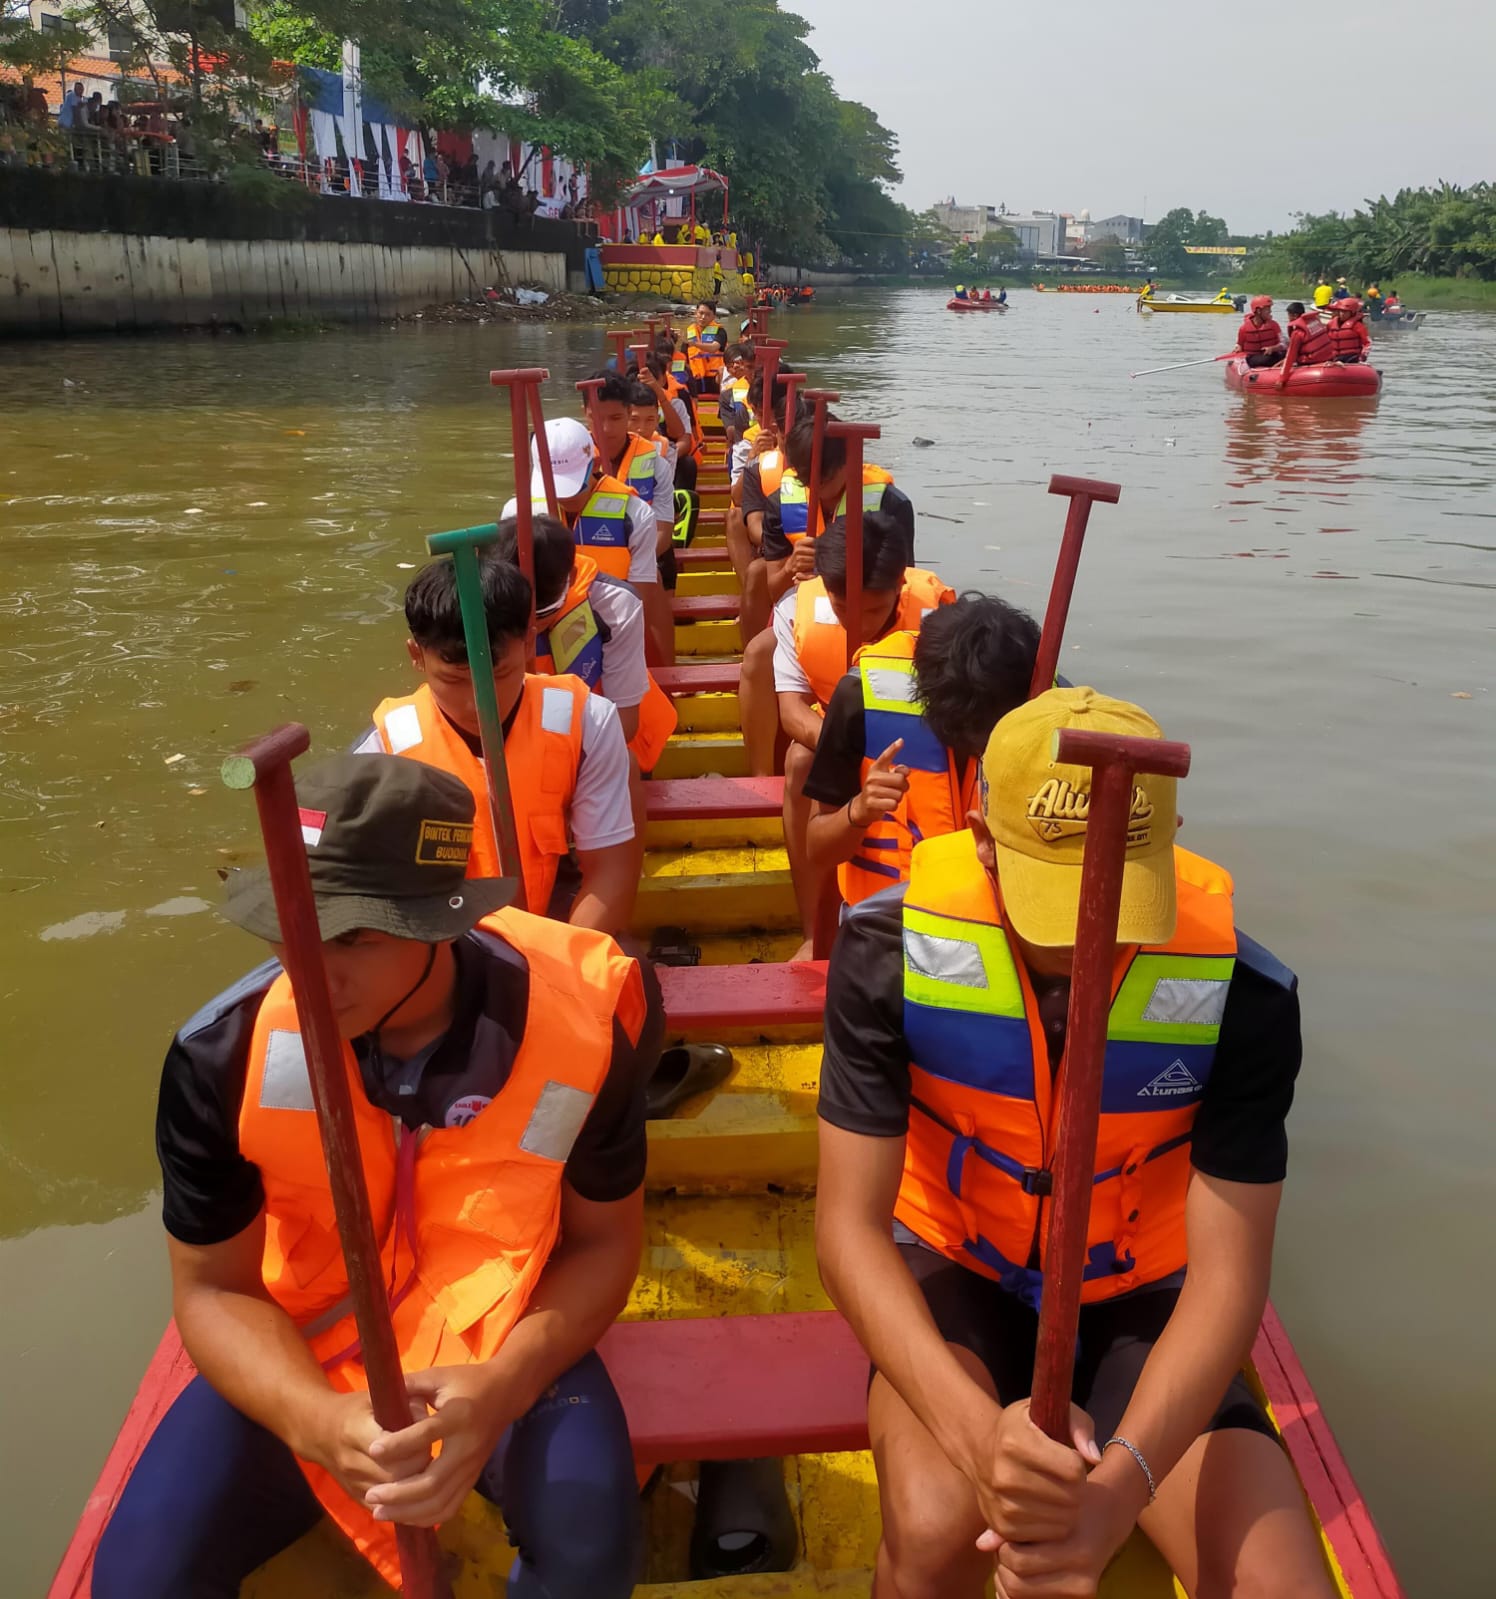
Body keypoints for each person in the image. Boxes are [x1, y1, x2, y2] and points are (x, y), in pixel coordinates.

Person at [92, 753, 657, 1599]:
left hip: (494, 1334)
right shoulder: (220, 1054)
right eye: (293, 927)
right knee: (138, 1578)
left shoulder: (589, 1019)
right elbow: (211, 1289)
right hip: (305, 1341)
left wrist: (500, 1390)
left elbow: (606, 1243)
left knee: (592, 1548)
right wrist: (319, 1423)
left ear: (441, 921)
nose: (313, 969)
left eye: (353, 937)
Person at [814, 686, 1335, 1599]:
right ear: (981, 839)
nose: (1091, 934)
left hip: (1142, 1297)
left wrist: (1117, 1492)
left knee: (1283, 1583)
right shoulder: (885, 953)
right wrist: (984, 1452)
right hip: (956, 1270)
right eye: (1056, 904)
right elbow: (847, 1230)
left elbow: (1229, 1274)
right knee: (937, 1525)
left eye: (1121, 896)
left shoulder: (1245, 998)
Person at [364, 557, 641, 934]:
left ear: (528, 643)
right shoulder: (385, 749)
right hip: (446, 938)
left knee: (627, 975)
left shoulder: (588, 721)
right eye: (454, 679)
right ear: (416, 656)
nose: (479, 702)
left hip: (553, 924)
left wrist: (557, 969)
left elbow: (610, 869)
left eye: (499, 674)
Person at [762, 516, 954, 957]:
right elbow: (791, 713)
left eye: (872, 609)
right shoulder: (797, 609)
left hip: (918, 742)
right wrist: (850, 748)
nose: (857, 623)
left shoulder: (937, 613)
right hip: (832, 730)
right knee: (800, 763)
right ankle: (815, 930)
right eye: (843, 606)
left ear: (900, 586)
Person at [803, 592, 1041, 906]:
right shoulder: (858, 698)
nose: (980, 742)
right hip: (887, 923)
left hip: (1002, 920)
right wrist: (859, 810)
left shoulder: (1046, 706)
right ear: (926, 696)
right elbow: (818, 849)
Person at [495, 515, 676, 778]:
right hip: (518, 741)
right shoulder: (481, 600)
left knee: (624, 765)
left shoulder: (614, 605)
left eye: (542, 616)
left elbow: (624, 722)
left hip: (598, 732)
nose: (531, 629)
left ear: (571, 577)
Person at [502, 417, 673, 672]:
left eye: (571, 485)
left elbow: (638, 602)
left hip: (611, 629)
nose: (563, 495)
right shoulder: (515, 513)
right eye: (556, 485)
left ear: (593, 463)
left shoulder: (635, 515)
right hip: (538, 636)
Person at [686, 301, 727, 394]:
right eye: (701, 313)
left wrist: (695, 344)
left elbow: (714, 348)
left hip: (715, 379)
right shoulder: (690, 332)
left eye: (708, 314)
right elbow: (685, 358)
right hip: (697, 378)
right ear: (696, 313)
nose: (703, 317)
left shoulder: (720, 331)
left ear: (713, 317)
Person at [1233, 295, 1285, 367]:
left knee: (1285, 353)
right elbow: (1239, 345)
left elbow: (1284, 344)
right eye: (1267, 309)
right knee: (1265, 359)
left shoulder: (1274, 325)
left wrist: (1272, 348)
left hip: (1272, 355)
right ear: (1258, 311)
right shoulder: (1244, 329)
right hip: (1254, 358)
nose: (1270, 311)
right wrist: (1237, 347)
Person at [1283, 300, 1333, 368]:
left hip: (1311, 362)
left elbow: (1291, 355)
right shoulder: (1316, 323)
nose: (1288, 318)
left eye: (1288, 315)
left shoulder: (1297, 333)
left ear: (1295, 315)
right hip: (1327, 358)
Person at [1327, 298, 1371, 363]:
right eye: (1341, 311)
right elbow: (1324, 341)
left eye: (1345, 312)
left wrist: (1362, 357)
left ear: (1352, 313)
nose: (1342, 314)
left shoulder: (1358, 326)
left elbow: (1367, 343)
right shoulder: (1330, 324)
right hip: (1335, 357)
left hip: (1352, 358)